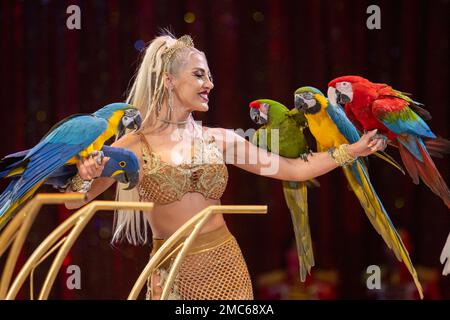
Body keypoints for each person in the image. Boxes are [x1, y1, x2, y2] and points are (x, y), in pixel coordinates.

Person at [64, 32, 387, 300]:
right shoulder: (132, 144)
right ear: (168, 80)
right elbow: (71, 200)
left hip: (226, 267)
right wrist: (84, 177)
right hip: (171, 273)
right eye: (199, 74)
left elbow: (294, 170)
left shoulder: (219, 139)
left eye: (210, 76)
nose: (210, 84)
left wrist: (352, 150)